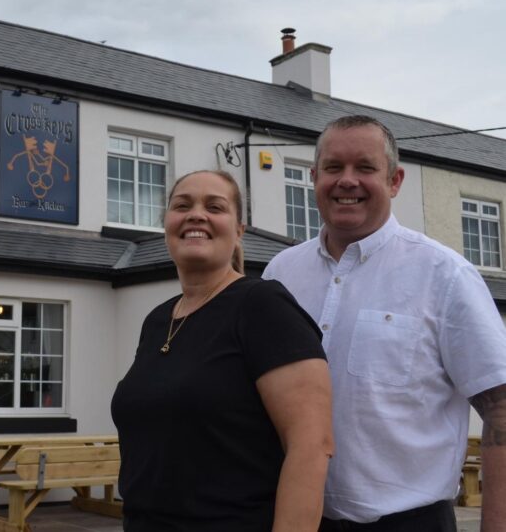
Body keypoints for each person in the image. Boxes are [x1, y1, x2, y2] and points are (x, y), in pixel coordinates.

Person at [263, 115, 506, 531]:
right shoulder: (280, 274)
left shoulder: (444, 275)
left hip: (409, 522)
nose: (347, 180)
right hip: (294, 518)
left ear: (395, 181)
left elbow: (500, 407)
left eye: (365, 167)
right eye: (334, 167)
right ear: (313, 177)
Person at [111, 170, 334, 531]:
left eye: (214, 207)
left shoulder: (263, 305)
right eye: (182, 205)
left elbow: (311, 446)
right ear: (167, 222)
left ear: (239, 230)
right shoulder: (157, 320)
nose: (196, 215)